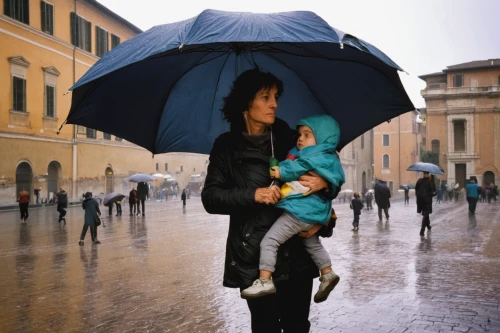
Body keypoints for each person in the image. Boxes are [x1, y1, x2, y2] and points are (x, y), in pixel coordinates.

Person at [202, 69, 334, 333]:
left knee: (297, 326)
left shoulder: (290, 138)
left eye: (275, 96)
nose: (274, 103)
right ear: (245, 103)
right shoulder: (226, 146)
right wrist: (254, 194)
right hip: (254, 256)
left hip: (296, 253)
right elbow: (211, 197)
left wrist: (326, 185)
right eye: (265, 97)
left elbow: (323, 166)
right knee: (265, 328)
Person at [240, 115, 344, 303]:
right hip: (311, 213)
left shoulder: (312, 155)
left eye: (307, 134)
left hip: (298, 212)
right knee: (312, 244)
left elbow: (299, 166)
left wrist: (281, 170)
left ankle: (264, 280)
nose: (300, 138)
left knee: (270, 241)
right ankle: (327, 272)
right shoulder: (328, 158)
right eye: (299, 134)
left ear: (321, 138)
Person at [416, 172, 436, 236]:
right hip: (427, 200)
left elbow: (416, 189)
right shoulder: (430, 182)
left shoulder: (419, 180)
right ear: (428, 175)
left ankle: (428, 226)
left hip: (420, 200)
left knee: (426, 213)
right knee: (425, 214)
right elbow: (433, 192)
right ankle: (422, 231)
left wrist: (418, 195)